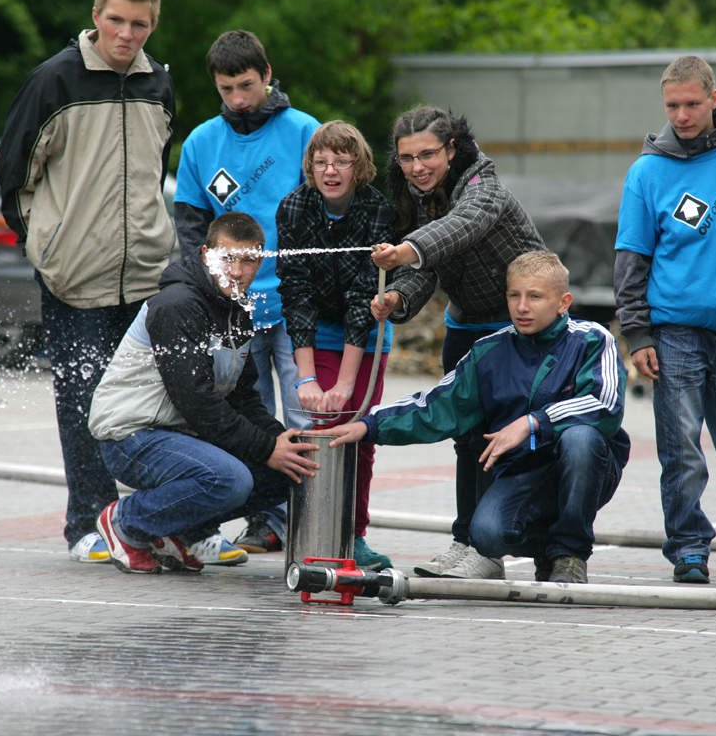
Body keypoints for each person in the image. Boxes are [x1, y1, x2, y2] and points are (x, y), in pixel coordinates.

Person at [0, 0, 175, 564]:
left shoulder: (160, 85)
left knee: (150, 402)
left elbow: (154, 170)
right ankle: (86, 523)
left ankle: (148, 518)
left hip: (145, 273)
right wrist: (47, 246)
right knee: (82, 399)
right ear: (98, 14)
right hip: (74, 276)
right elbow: (14, 177)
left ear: (153, 24)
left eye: (140, 24)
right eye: (117, 20)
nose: (127, 34)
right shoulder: (54, 80)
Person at [326, 251, 628, 583]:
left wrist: (533, 422)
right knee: (485, 535)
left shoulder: (593, 339)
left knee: (581, 438)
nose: (522, 307)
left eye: (535, 297)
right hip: (523, 473)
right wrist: (368, 425)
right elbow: (435, 406)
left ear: (563, 302)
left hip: (586, 465)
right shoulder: (489, 351)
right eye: (514, 295)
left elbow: (604, 404)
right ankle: (548, 550)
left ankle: (570, 554)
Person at [370, 105, 547, 580]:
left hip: (519, 329)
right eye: (407, 158)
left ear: (451, 149)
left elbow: (463, 225)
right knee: (465, 440)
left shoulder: (481, 184)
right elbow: (421, 272)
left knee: (512, 442)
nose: (417, 167)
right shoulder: (414, 197)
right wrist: (396, 300)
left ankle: (512, 549)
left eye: (427, 154)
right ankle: (467, 540)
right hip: (466, 326)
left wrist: (408, 248)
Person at [88, 212, 319, 573]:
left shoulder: (237, 310)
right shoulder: (177, 305)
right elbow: (196, 402)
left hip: (182, 436)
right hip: (131, 436)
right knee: (229, 479)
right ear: (206, 254)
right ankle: (126, 522)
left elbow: (243, 398)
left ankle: (180, 533)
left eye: (249, 260)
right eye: (228, 258)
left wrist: (280, 442)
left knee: (288, 471)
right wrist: (264, 448)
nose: (238, 270)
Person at [613, 56, 716, 584]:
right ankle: (688, 549)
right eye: (672, 105)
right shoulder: (647, 172)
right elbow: (631, 259)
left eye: (692, 104)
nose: (681, 115)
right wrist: (637, 334)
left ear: (714, 98)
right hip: (674, 335)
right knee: (682, 453)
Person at [171, 29, 318, 554]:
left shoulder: (303, 131)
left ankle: (313, 519)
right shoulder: (202, 142)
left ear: (268, 76)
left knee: (304, 415)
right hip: (235, 304)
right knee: (247, 414)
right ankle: (266, 517)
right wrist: (209, 289)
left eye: (247, 86)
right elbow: (191, 226)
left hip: (297, 300)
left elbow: (327, 210)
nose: (237, 98)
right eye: (226, 89)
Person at [276, 120, 396, 571]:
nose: (330, 170)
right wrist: (306, 376)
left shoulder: (376, 210)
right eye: (321, 162)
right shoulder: (294, 207)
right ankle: (314, 526)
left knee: (357, 429)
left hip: (367, 334)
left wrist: (347, 382)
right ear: (310, 166)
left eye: (341, 162)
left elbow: (362, 299)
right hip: (316, 330)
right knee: (321, 423)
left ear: (357, 166)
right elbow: (296, 292)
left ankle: (353, 534)